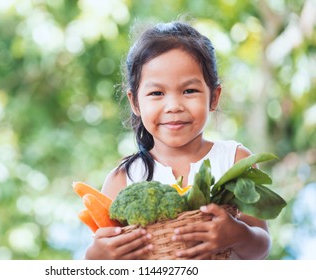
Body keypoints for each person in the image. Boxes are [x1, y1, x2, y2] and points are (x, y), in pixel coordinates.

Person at [84, 20, 271, 260]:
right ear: (135, 102)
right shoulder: (123, 179)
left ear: (214, 97)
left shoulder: (235, 160)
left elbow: (262, 246)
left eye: (189, 91)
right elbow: (106, 254)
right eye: (157, 93)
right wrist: (95, 257)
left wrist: (238, 234)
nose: (173, 106)